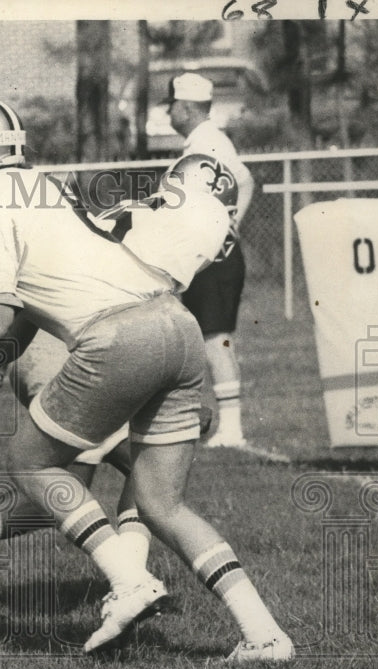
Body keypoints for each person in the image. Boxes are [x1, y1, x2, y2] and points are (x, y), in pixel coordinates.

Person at [0, 98, 292, 661]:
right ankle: (266, 635)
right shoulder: (42, 185)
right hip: (177, 326)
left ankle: (129, 584)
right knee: (161, 503)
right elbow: (30, 312)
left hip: (115, 338)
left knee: (31, 462)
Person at [165, 72, 255, 448]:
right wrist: (232, 224)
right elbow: (245, 180)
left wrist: (226, 229)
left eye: (171, 104)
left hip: (214, 258)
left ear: (185, 107)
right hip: (216, 255)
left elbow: (241, 183)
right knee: (210, 337)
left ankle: (232, 429)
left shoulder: (204, 145)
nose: (169, 111)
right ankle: (224, 425)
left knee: (214, 338)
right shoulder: (210, 141)